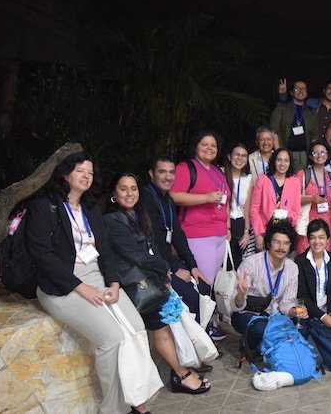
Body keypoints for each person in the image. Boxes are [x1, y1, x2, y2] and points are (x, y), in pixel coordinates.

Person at [26, 153, 155, 414]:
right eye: (80, 171)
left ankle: (136, 399)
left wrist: (115, 282)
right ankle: (114, 409)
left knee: (136, 328)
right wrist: (80, 287)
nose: (86, 176)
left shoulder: (90, 208)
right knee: (112, 338)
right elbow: (41, 255)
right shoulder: (45, 205)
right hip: (62, 285)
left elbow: (104, 249)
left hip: (97, 275)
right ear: (65, 174)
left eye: (90, 172)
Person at [105, 173, 210, 395]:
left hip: (152, 279)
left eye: (133, 188)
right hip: (138, 285)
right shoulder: (112, 220)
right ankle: (180, 375)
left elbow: (151, 247)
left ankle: (182, 370)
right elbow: (134, 254)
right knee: (160, 329)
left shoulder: (138, 214)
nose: (129, 193)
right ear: (114, 194)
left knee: (165, 327)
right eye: (123, 189)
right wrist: (164, 267)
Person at [169, 131, 230, 346]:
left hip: (218, 235)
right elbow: (174, 195)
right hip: (197, 233)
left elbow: (225, 200)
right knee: (201, 283)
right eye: (205, 144)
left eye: (213, 145)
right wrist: (205, 198)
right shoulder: (187, 168)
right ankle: (200, 330)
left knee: (210, 284)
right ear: (195, 146)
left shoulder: (217, 171)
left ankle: (208, 323)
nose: (210, 148)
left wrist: (227, 225)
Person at [142, 156, 211, 329]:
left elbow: (178, 235)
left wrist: (192, 265)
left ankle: (202, 335)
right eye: (162, 172)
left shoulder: (168, 198)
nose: (168, 177)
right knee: (190, 295)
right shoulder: (146, 198)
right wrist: (173, 269)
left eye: (171, 172)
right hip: (153, 264)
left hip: (167, 260)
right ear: (151, 174)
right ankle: (192, 344)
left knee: (204, 286)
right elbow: (153, 241)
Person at [230, 219, 302, 352]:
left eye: (286, 243)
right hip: (247, 313)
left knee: (298, 326)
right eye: (276, 242)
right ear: (268, 243)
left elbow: (286, 303)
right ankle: (253, 343)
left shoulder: (292, 268)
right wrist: (240, 294)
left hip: (273, 315)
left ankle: (265, 345)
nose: (281, 247)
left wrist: (295, 311)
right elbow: (236, 307)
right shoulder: (251, 264)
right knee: (264, 328)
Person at [249, 148, 302, 251]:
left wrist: (288, 225)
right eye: (279, 160)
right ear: (274, 161)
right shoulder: (262, 180)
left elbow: (296, 210)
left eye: (286, 160)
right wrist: (259, 234)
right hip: (265, 232)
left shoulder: (294, 181)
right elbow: (254, 210)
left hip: (285, 232)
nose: (282, 164)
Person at [295, 140, 331, 254]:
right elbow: (292, 199)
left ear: (328, 155)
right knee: (306, 253)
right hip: (308, 221)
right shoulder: (303, 174)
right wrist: (311, 199)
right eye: (315, 153)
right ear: (310, 156)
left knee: (325, 255)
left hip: (328, 221)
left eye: (323, 152)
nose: (319, 155)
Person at [272, 79, 319, 169]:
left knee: (302, 181)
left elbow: (315, 135)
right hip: (285, 152)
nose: (301, 91)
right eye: (297, 89)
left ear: (307, 93)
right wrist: (279, 152)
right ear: (291, 92)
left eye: (303, 89)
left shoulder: (310, 113)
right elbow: (274, 130)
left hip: (305, 154)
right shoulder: (282, 108)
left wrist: (311, 154)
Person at [223, 143, 253, 265]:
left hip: (239, 224)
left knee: (236, 264)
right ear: (229, 156)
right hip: (223, 223)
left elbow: (246, 209)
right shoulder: (221, 174)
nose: (239, 158)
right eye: (236, 154)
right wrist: (226, 228)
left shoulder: (249, 179)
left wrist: (247, 232)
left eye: (243, 156)